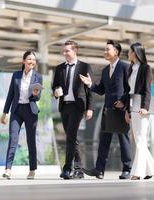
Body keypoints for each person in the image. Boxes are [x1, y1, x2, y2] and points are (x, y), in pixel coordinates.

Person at [79, 40, 131, 179]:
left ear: (116, 52)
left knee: (123, 139)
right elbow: (101, 90)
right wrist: (90, 84)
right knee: (104, 140)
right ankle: (99, 170)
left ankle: (127, 168)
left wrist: (124, 103)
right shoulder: (104, 71)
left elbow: (130, 89)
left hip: (121, 110)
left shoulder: (125, 68)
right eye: (105, 50)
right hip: (107, 110)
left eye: (108, 49)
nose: (105, 52)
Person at [115, 42, 154, 180]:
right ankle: (151, 169)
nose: (128, 53)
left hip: (143, 109)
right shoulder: (130, 68)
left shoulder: (146, 68)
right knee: (139, 140)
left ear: (136, 53)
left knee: (140, 139)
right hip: (132, 107)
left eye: (130, 51)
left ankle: (138, 172)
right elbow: (128, 91)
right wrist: (126, 109)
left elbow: (147, 90)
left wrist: (145, 107)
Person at [52, 40, 93, 179]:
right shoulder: (59, 68)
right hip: (64, 106)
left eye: (67, 51)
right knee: (72, 138)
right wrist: (56, 91)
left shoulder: (84, 67)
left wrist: (90, 108)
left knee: (70, 137)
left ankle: (67, 168)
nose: (64, 53)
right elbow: (55, 86)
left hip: (78, 106)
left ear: (75, 51)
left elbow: (89, 89)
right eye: (64, 51)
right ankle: (79, 169)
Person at [1, 50, 43, 180]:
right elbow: (10, 95)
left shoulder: (38, 76)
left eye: (34, 60)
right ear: (24, 61)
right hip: (17, 111)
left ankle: (32, 170)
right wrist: (5, 113)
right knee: (13, 139)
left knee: (31, 141)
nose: (32, 62)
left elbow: (38, 98)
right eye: (29, 59)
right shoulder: (16, 75)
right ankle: (8, 169)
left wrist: (36, 94)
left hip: (30, 111)